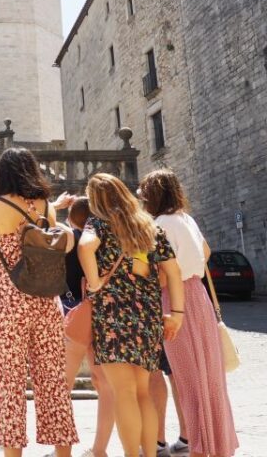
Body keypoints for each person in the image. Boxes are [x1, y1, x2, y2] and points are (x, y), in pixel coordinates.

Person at [0, 147, 79, 457]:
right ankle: (63, 452)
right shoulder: (45, 206)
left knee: (9, 381)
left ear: (1, 174)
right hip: (46, 299)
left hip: (9, 300)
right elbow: (51, 246)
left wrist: (2, 262)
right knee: (53, 378)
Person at [78, 173, 185, 457]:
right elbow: (174, 271)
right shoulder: (147, 226)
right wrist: (177, 313)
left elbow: (85, 246)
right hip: (148, 316)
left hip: (112, 316)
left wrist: (95, 281)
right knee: (142, 393)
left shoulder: (98, 223)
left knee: (123, 393)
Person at [139, 170, 239, 457]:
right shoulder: (186, 219)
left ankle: (199, 446)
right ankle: (215, 443)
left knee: (187, 379)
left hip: (174, 298)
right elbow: (205, 252)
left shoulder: (160, 224)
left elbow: (160, 274)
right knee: (208, 377)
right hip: (199, 295)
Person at [54, 196, 115, 457]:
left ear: (71, 219)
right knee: (105, 385)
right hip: (102, 315)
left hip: (72, 317)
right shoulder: (104, 242)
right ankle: (100, 448)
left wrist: (54, 208)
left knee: (61, 386)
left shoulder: (67, 239)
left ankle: (62, 450)